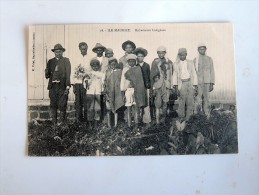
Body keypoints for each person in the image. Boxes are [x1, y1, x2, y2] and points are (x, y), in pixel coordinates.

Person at [45, 44, 71, 125]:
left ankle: (62, 124)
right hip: (53, 87)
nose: (58, 53)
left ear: (62, 52)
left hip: (62, 86)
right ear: (54, 52)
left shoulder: (66, 61)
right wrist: (46, 72)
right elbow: (47, 76)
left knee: (62, 104)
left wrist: (67, 87)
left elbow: (68, 74)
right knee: (53, 105)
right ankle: (54, 124)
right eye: (56, 52)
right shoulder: (50, 61)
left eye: (60, 52)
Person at [172, 48, 198, 120]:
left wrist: (195, 85)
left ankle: (189, 119)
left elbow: (194, 73)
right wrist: (176, 87)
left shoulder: (190, 62)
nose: (182, 56)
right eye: (180, 55)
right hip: (182, 84)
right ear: (179, 55)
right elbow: (174, 75)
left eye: (184, 55)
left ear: (186, 54)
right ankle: (181, 118)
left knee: (190, 101)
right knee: (181, 102)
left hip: (190, 83)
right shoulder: (176, 64)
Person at [123, 54, 147, 132]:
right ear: (127, 62)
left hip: (136, 91)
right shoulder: (125, 70)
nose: (131, 62)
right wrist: (123, 91)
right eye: (130, 61)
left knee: (136, 108)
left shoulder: (138, 69)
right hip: (128, 90)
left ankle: (137, 125)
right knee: (128, 109)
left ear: (135, 61)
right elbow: (124, 82)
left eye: (133, 61)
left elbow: (140, 82)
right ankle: (129, 125)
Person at [150, 46, 173, 124]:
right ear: (157, 53)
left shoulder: (169, 62)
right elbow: (152, 75)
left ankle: (163, 120)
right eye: (159, 53)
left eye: (162, 53)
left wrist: (170, 85)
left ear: (165, 53)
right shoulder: (155, 62)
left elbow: (171, 74)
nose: (161, 54)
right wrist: (153, 87)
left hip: (166, 85)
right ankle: (157, 121)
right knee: (157, 104)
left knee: (165, 103)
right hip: (157, 85)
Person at [193, 43, 215, 116]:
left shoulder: (209, 59)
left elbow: (212, 71)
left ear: (205, 49)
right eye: (200, 49)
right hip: (198, 83)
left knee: (207, 99)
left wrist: (212, 83)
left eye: (203, 49)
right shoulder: (195, 60)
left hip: (207, 82)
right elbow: (193, 73)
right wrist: (194, 85)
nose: (202, 50)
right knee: (198, 99)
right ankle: (197, 115)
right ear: (198, 50)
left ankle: (207, 115)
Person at [84, 59, 105, 129]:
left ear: (99, 66)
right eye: (93, 66)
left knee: (97, 108)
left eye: (96, 66)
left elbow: (103, 83)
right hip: (90, 93)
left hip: (98, 93)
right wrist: (87, 81)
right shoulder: (88, 74)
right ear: (91, 66)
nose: (95, 67)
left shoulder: (101, 74)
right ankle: (90, 124)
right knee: (90, 108)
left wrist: (102, 91)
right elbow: (85, 85)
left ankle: (96, 124)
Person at [134, 47, 151, 128]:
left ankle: (147, 121)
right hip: (137, 88)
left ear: (144, 57)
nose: (140, 58)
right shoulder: (135, 66)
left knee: (146, 104)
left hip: (145, 87)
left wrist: (149, 87)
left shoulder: (147, 65)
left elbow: (149, 76)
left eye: (141, 56)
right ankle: (137, 121)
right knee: (138, 104)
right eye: (138, 56)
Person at [72, 42, 90, 123]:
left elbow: (90, 71)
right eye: (82, 49)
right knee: (78, 102)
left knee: (86, 102)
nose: (84, 50)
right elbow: (73, 71)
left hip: (86, 83)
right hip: (77, 83)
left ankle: (86, 120)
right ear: (79, 49)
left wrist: (87, 80)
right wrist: (73, 84)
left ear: (87, 48)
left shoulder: (90, 58)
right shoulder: (76, 58)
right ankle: (79, 121)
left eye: (85, 49)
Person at [104, 57, 124, 128]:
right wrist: (106, 92)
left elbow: (122, 82)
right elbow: (105, 83)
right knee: (109, 109)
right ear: (109, 65)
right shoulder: (107, 72)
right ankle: (109, 124)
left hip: (117, 92)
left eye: (114, 64)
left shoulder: (119, 71)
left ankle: (115, 124)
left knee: (116, 108)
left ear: (116, 64)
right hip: (109, 92)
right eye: (111, 64)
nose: (113, 66)